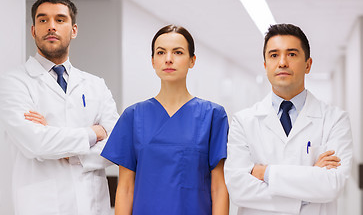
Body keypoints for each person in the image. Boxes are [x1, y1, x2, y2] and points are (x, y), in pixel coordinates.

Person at [0, 0, 119, 215]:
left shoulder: (95, 85)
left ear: (74, 30)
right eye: (43, 20)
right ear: (33, 30)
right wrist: (94, 133)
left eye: (60, 19)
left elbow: (116, 147)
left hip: (92, 206)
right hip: (41, 206)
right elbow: (36, 143)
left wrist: (68, 152)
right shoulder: (14, 83)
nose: (51, 26)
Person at [224, 23, 352, 215]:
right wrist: (310, 181)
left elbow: (332, 185)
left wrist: (265, 173)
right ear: (266, 65)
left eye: (292, 54)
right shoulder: (243, 121)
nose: (282, 62)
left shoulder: (335, 120)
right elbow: (239, 190)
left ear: (308, 65)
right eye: (274, 55)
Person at [101, 25, 229, 215]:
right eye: (161, 52)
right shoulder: (133, 116)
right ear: (153, 61)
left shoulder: (213, 115)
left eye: (178, 52)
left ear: (192, 60)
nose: (168, 59)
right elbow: (126, 188)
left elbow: (218, 188)